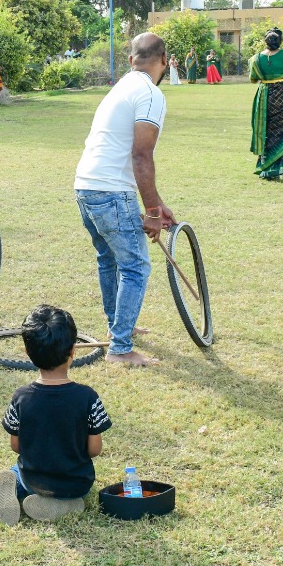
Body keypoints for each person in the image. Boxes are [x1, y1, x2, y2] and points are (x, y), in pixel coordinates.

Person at [73, 31, 174, 368]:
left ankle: (119, 326)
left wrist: (156, 205)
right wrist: (151, 211)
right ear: (164, 60)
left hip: (86, 186)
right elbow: (141, 156)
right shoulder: (150, 93)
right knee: (136, 267)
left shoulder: (122, 87)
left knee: (110, 259)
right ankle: (120, 347)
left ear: (131, 60)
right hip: (110, 191)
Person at [0, 305, 112, 526]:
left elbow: (16, 446)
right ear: (73, 351)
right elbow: (94, 450)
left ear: (27, 353)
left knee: (16, 471)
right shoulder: (87, 397)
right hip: (75, 482)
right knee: (77, 493)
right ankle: (68, 503)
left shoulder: (21, 397)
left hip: (32, 479)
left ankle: (14, 487)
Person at [248, 29, 283, 184]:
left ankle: (269, 170)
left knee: (268, 133)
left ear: (265, 42)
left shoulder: (256, 59)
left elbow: (253, 79)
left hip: (266, 99)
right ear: (280, 42)